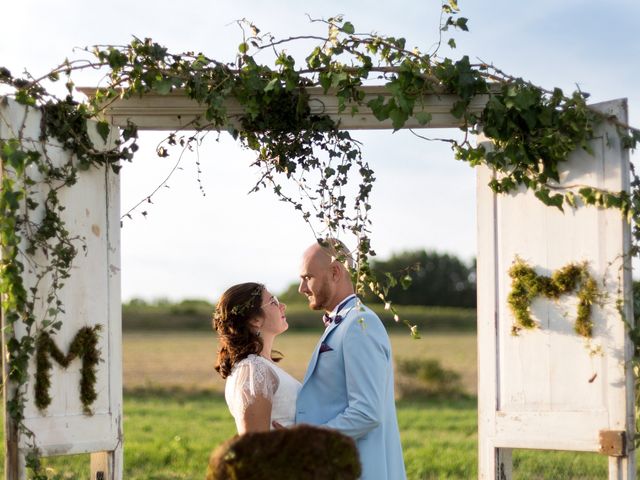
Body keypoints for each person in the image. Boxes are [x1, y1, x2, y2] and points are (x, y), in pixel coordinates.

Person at [295, 240, 407, 480]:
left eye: (308, 277)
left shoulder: (358, 324)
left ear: (335, 272)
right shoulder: (346, 322)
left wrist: (307, 440)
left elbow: (367, 411)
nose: (301, 288)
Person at [213, 282, 301, 434]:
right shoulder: (252, 370)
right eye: (274, 302)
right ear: (255, 320)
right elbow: (253, 446)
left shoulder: (261, 365)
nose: (283, 306)